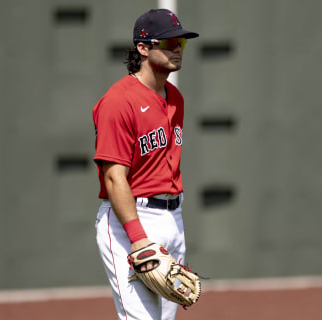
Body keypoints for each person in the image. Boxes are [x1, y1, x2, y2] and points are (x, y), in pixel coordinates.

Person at [92, 8, 199, 320]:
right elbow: (114, 178)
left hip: (172, 218)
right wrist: (138, 236)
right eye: (168, 43)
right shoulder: (118, 101)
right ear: (143, 48)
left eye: (181, 43)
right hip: (131, 220)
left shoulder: (175, 98)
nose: (177, 49)